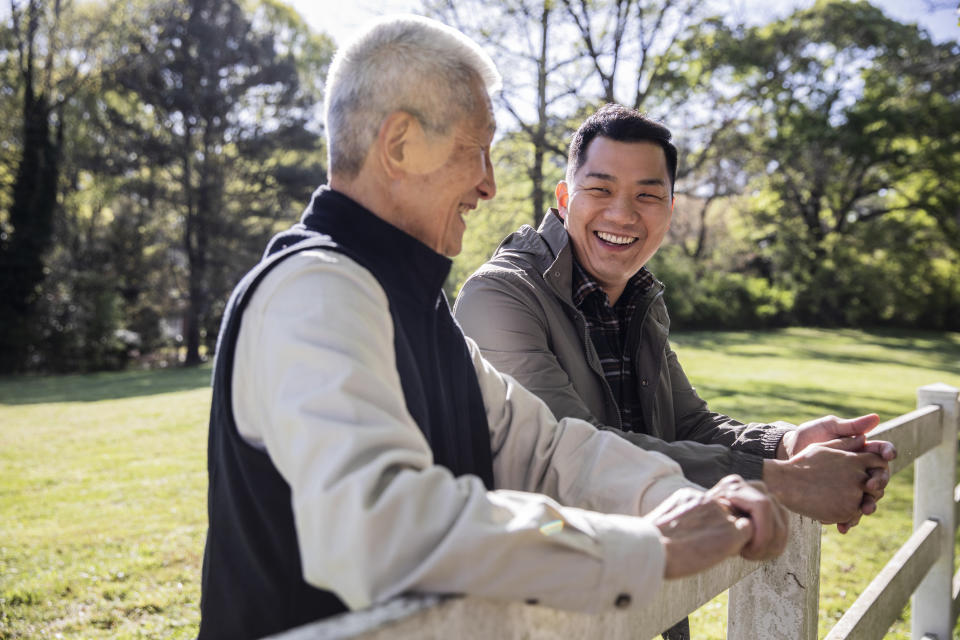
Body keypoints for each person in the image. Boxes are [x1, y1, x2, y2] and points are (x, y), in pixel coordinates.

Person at [197, 19, 789, 640]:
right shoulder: (314, 289)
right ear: (399, 144)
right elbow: (384, 528)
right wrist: (645, 549)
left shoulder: (418, 309)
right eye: (475, 149)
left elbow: (547, 452)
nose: (489, 183)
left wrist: (670, 497)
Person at [454, 103, 896, 537]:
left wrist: (784, 444)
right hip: (546, 578)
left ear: (669, 209)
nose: (623, 214)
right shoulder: (499, 296)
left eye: (647, 195)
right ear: (566, 199)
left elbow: (689, 426)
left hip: (647, 576)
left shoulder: (637, 295)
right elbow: (568, 455)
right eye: (600, 189)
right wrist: (785, 480)